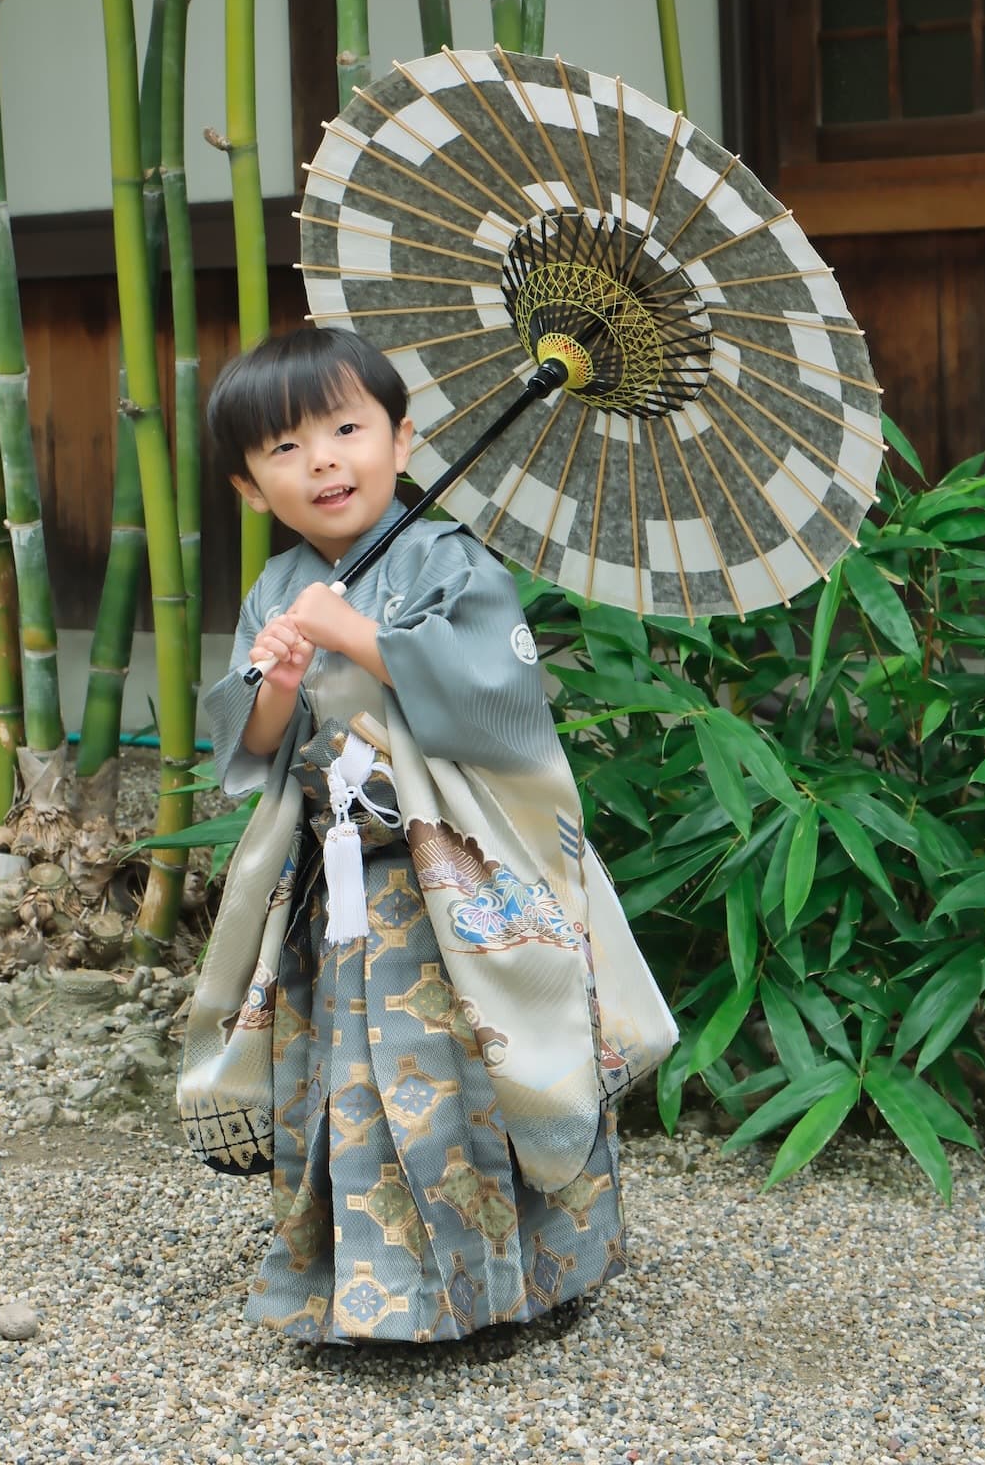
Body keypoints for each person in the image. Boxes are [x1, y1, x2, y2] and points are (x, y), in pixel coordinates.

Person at [177, 327, 674, 1346]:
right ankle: (369, 1292)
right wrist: (272, 685)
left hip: (453, 884)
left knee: (462, 1080)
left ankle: (507, 1284)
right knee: (344, 1081)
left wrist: (359, 632)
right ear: (245, 485)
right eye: (282, 447)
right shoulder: (275, 589)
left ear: (402, 441)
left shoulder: (452, 562)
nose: (320, 458)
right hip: (337, 881)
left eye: (345, 428)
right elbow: (253, 745)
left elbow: (497, 702)